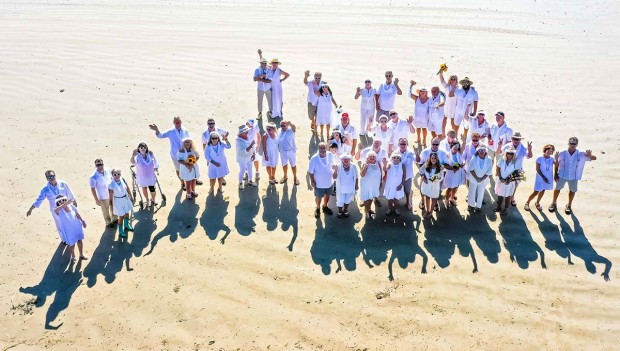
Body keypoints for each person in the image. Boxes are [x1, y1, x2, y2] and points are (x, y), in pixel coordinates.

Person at [550, 137, 597, 214]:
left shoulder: (581, 154)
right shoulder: (561, 153)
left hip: (574, 177)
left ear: (577, 144)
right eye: (571, 143)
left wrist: (590, 156)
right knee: (557, 189)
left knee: (572, 191)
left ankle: (569, 205)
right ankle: (553, 203)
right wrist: (555, 175)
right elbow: (556, 165)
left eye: (574, 144)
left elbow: (595, 158)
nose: (572, 145)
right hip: (562, 176)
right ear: (568, 144)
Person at [149, 117, 199, 189]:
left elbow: (189, 140)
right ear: (173, 123)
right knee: (178, 169)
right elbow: (160, 135)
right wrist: (156, 130)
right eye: (175, 122)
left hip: (186, 153)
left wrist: (192, 151)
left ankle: (193, 179)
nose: (177, 124)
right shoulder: (170, 131)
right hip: (175, 154)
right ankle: (182, 183)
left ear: (181, 122)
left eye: (178, 122)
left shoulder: (185, 130)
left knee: (190, 165)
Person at [26, 170, 77, 238]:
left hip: (66, 205)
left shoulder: (63, 183)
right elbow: (39, 200)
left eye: (53, 176)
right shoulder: (45, 189)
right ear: (47, 178)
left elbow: (70, 193)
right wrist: (31, 209)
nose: (52, 178)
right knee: (59, 223)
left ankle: (73, 234)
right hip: (55, 209)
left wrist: (74, 202)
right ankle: (64, 239)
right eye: (50, 177)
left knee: (71, 219)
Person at [498, 131, 533, 206]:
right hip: (506, 168)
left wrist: (529, 149)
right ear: (512, 139)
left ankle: (512, 197)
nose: (516, 141)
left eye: (518, 139)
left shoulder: (523, 148)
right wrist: (499, 145)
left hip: (517, 170)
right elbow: (499, 152)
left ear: (520, 140)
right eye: (514, 139)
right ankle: (501, 196)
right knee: (503, 182)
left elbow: (529, 156)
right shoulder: (507, 146)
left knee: (515, 185)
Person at [53, 196, 87, 262]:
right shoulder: (58, 210)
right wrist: (65, 204)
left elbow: (77, 214)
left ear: (66, 199)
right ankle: (73, 256)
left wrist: (82, 221)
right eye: (59, 201)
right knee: (71, 244)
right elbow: (55, 210)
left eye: (63, 200)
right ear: (57, 203)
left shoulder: (72, 206)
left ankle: (81, 254)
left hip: (76, 226)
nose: (62, 201)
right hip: (68, 229)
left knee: (79, 240)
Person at [524, 144, 555, 211]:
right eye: (548, 150)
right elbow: (537, 169)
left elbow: (558, 165)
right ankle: (527, 202)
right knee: (536, 191)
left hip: (548, 177)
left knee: (543, 190)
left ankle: (537, 203)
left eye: (551, 150)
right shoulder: (539, 158)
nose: (549, 151)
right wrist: (543, 177)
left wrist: (558, 158)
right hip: (540, 177)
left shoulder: (552, 159)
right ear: (545, 150)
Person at [308, 142, 335, 218]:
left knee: (327, 195)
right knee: (318, 197)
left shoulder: (330, 155)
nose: (322, 149)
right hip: (319, 184)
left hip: (330, 182)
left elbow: (334, 164)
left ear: (326, 148)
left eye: (324, 148)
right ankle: (318, 208)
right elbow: (310, 172)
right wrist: (312, 181)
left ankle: (325, 206)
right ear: (318, 148)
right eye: (321, 148)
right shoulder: (314, 159)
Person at [89, 159, 117, 228]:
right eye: (98, 165)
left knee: (113, 207)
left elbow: (113, 178)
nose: (100, 166)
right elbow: (93, 189)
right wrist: (96, 199)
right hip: (102, 196)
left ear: (103, 164)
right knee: (105, 210)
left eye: (101, 164)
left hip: (111, 193)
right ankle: (108, 222)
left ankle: (115, 219)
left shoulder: (108, 170)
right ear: (95, 166)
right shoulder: (93, 176)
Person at [130, 142, 160, 207]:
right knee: (144, 188)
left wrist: (156, 168)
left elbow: (155, 162)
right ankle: (147, 200)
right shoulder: (137, 157)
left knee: (152, 189)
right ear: (139, 148)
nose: (143, 148)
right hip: (142, 176)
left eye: (144, 147)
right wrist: (133, 155)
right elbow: (132, 162)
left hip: (150, 176)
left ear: (146, 148)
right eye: (141, 147)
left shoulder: (150, 154)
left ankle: (153, 199)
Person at [108, 169, 135, 238]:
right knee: (121, 216)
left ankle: (126, 225)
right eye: (115, 174)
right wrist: (111, 206)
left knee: (127, 213)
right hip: (118, 201)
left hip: (125, 199)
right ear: (112, 175)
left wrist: (131, 197)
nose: (117, 176)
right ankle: (120, 230)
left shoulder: (123, 179)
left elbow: (127, 188)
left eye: (118, 174)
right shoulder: (111, 184)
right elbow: (110, 196)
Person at [467, 145, 493, 212]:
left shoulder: (489, 159)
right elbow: (471, 169)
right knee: (471, 192)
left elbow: (489, 171)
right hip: (474, 178)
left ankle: (479, 206)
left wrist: (481, 179)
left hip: (483, 180)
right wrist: (476, 178)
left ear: (486, 151)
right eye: (480, 150)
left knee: (481, 193)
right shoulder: (474, 158)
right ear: (477, 151)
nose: (481, 151)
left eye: (483, 150)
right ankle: (471, 205)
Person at [495, 146, 519, 216]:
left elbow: (517, 172)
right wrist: (500, 178)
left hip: (510, 182)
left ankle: (506, 208)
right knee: (500, 195)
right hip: (501, 180)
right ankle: (498, 207)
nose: (509, 155)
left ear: (513, 154)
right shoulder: (502, 159)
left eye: (511, 153)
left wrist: (509, 179)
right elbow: (497, 169)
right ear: (506, 153)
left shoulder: (516, 161)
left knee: (507, 196)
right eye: (508, 153)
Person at [333, 154, 359, 218]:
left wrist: (356, 184)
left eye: (348, 160)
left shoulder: (353, 166)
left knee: (347, 199)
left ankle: (345, 210)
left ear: (350, 160)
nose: (346, 161)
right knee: (340, 200)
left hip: (350, 187)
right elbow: (334, 177)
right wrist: (335, 170)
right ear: (342, 160)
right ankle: (340, 211)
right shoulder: (338, 166)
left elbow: (356, 177)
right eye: (345, 160)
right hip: (341, 187)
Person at [359, 151, 383, 219]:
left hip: (374, 185)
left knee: (371, 198)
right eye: (370, 156)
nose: (372, 157)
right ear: (367, 158)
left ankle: (369, 209)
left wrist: (380, 182)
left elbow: (380, 173)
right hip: (366, 185)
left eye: (373, 156)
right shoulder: (365, 164)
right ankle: (366, 212)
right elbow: (362, 174)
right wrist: (366, 167)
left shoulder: (378, 163)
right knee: (366, 199)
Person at [420, 153, 443, 219]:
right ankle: (427, 211)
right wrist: (423, 177)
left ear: (437, 159)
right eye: (432, 158)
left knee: (434, 198)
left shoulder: (440, 167)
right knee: (427, 197)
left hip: (435, 185)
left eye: (435, 158)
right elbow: (421, 171)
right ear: (430, 159)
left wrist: (435, 179)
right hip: (427, 185)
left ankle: (431, 212)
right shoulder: (426, 165)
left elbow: (442, 176)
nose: (433, 159)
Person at [395, 138, 416, 210]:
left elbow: (418, 161)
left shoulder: (411, 153)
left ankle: (408, 202)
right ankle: (396, 202)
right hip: (398, 176)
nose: (403, 145)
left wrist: (416, 153)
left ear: (407, 144)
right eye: (401, 144)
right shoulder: (395, 153)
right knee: (397, 189)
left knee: (407, 190)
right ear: (398, 144)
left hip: (408, 175)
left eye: (404, 144)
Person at [383, 151, 406, 216]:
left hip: (399, 185)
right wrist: (385, 163)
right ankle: (389, 209)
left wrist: (402, 185)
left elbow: (404, 176)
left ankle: (396, 209)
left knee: (396, 199)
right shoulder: (389, 164)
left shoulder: (403, 165)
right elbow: (385, 169)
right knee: (390, 198)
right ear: (392, 158)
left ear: (400, 159)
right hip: (390, 185)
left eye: (398, 158)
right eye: (394, 157)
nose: (396, 159)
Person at [443, 142, 465, 208]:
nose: (455, 150)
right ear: (451, 147)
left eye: (457, 148)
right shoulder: (447, 154)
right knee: (449, 188)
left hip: (457, 174)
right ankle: (446, 199)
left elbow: (462, 161)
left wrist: (462, 164)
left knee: (455, 187)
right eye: (454, 148)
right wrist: (452, 168)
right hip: (450, 174)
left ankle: (452, 198)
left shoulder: (459, 154)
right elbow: (445, 165)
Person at [235, 125, 257, 190]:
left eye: (247, 131)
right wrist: (251, 145)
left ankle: (250, 180)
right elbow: (244, 150)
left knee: (250, 168)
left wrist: (253, 153)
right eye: (246, 132)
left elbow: (252, 147)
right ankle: (240, 183)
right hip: (242, 158)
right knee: (243, 170)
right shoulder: (238, 141)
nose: (247, 133)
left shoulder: (247, 137)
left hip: (249, 156)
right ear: (241, 133)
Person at [277, 120, 299, 185]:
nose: (283, 127)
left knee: (293, 165)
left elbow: (294, 128)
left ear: (287, 125)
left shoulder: (290, 130)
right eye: (281, 125)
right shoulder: (279, 130)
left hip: (291, 151)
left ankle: (295, 177)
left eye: (284, 125)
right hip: (282, 151)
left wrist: (290, 124)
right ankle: (285, 176)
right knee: (284, 165)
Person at [254, 50, 272, 119]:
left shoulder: (269, 70)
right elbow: (254, 79)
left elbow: (269, 81)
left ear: (266, 64)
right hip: (260, 88)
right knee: (259, 101)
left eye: (264, 63)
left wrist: (261, 79)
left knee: (270, 101)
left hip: (268, 88)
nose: (263, 64)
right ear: (260, 63)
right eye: (262, 63)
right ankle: (260, 113)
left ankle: (270, 111)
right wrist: (260, 76)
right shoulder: (257, 70)